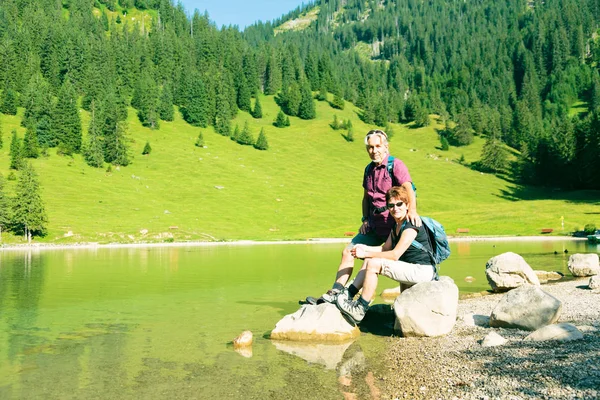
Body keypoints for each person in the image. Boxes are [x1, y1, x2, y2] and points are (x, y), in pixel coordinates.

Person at [315, 129, 420, 304]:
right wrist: (365, 219)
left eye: (378, 146)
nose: (374, 151)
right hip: (373, 224)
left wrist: (413, 211)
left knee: (370, 259)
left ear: (386, 146)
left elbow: (408, 188)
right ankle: (336, 292)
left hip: (392, 225)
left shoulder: (396, 165)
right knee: (348, 251)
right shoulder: (368, 169)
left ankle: (353, 297)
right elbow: (366, 198)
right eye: (370, 147)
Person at [335, 186, 436, 325]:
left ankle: (360, 308)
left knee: (373, 263)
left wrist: (365, 253)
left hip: (422, 270)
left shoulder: (412, 225)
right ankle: (348, 294)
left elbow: (395, 254)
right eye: (391, 205)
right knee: (371, 259)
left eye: (399, 204)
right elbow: (384, 248)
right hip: (410, 268)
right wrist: (364, 248)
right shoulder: (396, 226)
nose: (396, 208)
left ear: (407, 205)